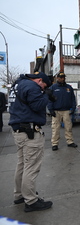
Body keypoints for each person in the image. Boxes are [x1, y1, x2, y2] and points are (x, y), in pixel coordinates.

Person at [8, 72, 54, 212]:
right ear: (39, 80)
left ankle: (19, 195)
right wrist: (46, 95)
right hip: (30, 133)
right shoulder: (32, 86)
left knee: (22, 164)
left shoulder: (17, 85)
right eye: (43, 86)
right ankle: (31, 200)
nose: (42, 89)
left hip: (18, 130)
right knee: (31, 166)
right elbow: (38, 105)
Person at [47, 72, 77, 151]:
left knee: (68, 127)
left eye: (63, 77)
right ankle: (55, 143)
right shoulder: (53, 87)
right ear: (57, 78)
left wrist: (73, 108)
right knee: (55, 128)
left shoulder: (69, 88)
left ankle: (70, 141)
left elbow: (73, 99)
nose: (62, 79)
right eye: (60, 77)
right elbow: (49, 100)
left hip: (66, 111)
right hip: (56, 111)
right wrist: (51, 110)